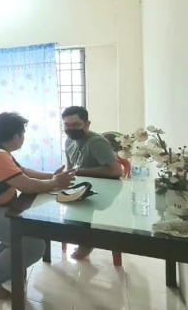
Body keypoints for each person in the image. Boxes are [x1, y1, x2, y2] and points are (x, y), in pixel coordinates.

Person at [0, 112, 76, 299]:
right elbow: (27, 185)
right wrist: (55, 183)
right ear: (16, 136)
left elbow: (22, 172)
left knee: (36, 223)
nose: (23, 138)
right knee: (34, 245)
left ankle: (1, 254)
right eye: (23, 134)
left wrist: (52, 177)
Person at [59, 105, 122, 260]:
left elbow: (116, 171)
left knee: (78, 210)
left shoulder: (96, 142)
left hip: (102, 191)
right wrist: (63, 177)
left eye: (76, 125)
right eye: (67, 125)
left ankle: (86, 242)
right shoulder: (69, 141)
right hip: (80, 189)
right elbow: (70, 168)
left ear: (87, 124)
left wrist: (80, 172)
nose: (70, 129)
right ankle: (76, 237)